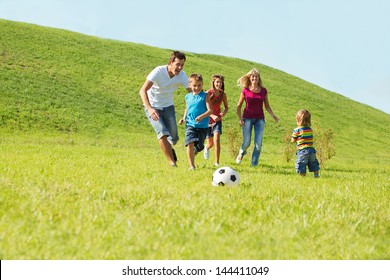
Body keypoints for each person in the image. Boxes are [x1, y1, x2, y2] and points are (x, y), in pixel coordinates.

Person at [139, 51, 190, 167]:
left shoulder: (182, 75)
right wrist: (150, 109)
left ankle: (169, 148)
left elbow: (192, 92)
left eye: (182, 65)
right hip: (153, 107)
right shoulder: (158, 71)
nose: (180, 68)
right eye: (177, 64)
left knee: (174, 137)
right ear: (171, 63)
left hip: (168, 107)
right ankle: (172, 163)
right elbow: (142, 90)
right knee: (162, 132)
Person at [236, 68, 279, 166]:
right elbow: (239, 105)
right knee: (246, 142)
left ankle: (254, 164)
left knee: (258, 144)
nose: (254, 78)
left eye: (256, 76)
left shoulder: (263, 91)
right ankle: (241, 153)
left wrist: (273, 115)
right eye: (253, 76)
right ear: (250, 78)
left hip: (260, 119)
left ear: (259, 78)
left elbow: (267, 106)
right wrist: (240, 118)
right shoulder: (245, 90)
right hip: (247, 118)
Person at [179, 74, 212, 170]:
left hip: (202, 126)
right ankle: (191, 166)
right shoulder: (187, 97)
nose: (197, 88)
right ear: (190, 85)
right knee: (190, 142)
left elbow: (210, 111)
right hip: (190, 124)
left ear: (202, 85)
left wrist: (201, 117)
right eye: (194, 85)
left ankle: (196, 151)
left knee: (200, 146)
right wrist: (183, 118)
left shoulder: (205, 96)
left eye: (199, 85)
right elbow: (187, 108)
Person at [203, 74, 229, 166]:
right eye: (217, 82)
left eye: (221, 82)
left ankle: (217, 162)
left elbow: (226, 107)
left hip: (217, 120)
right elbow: (204, 108)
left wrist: (223, 113)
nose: (219, 84)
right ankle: (206, 147)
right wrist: (212, 116)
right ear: (213, 83)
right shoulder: (208, 93)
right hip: (207, 121)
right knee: (210, 144)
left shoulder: (223, 95)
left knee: (217, 140)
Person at [291, 109, 320, 177]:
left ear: (298, 120)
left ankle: (303, 177)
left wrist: (294, 137)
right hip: (311, 149)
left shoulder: (297, 130)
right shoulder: (310, 129)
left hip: (302, 150)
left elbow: (293, 141)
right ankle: (316, 175)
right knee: (313, 163)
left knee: (301, 164)